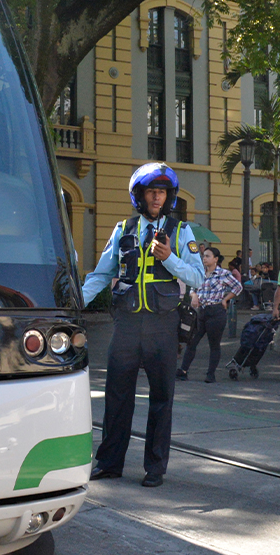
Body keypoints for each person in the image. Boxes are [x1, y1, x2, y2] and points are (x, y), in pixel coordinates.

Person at [83, 163, 203, 487]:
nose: (156, 197)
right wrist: (72, 303)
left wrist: (169, 258)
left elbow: (198, 276)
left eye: (162, 192)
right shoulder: (123, 229)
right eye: (151, 191)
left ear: (169, 196)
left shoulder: (180, 232)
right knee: (116, 397)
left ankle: (155, 468)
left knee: (162, 399)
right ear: (139, 195)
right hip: (126, 326)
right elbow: (101, 274)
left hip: (163, 325)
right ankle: (109, 463)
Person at [179, 247, 241, 383]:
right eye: (203, 256)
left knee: (214, 344)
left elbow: (238, 287)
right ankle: (183, 370)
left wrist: (225, 299)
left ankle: (210, 374)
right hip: (201, 313)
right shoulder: (200, 273)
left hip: (216, 312)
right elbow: (192, 288)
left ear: (215, 259)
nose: (204, 258)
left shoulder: (223, 274)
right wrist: (194, 295)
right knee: (192, 341)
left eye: (207, 256)